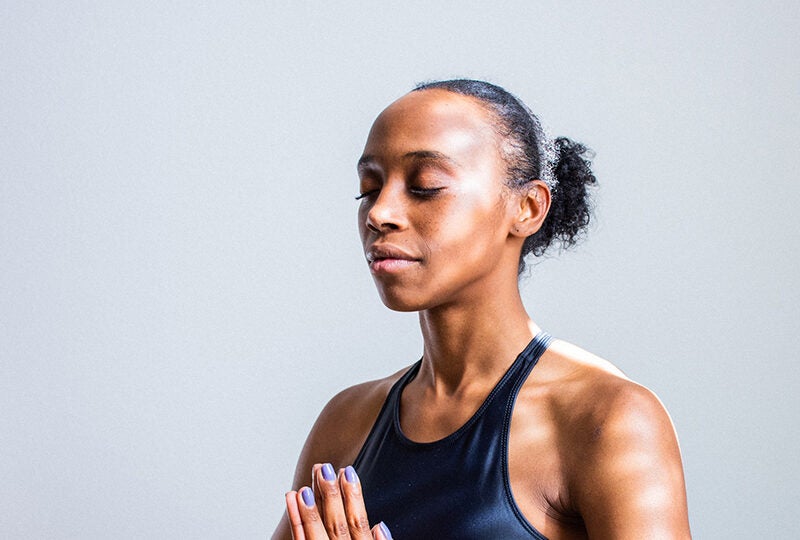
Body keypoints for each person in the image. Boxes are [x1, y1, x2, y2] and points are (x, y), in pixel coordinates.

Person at [272, 79, 691, 539]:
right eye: (369, 189)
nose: (379, 213)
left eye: (425, 186)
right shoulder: (347, 422)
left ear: (527, 207)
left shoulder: (607, 419)